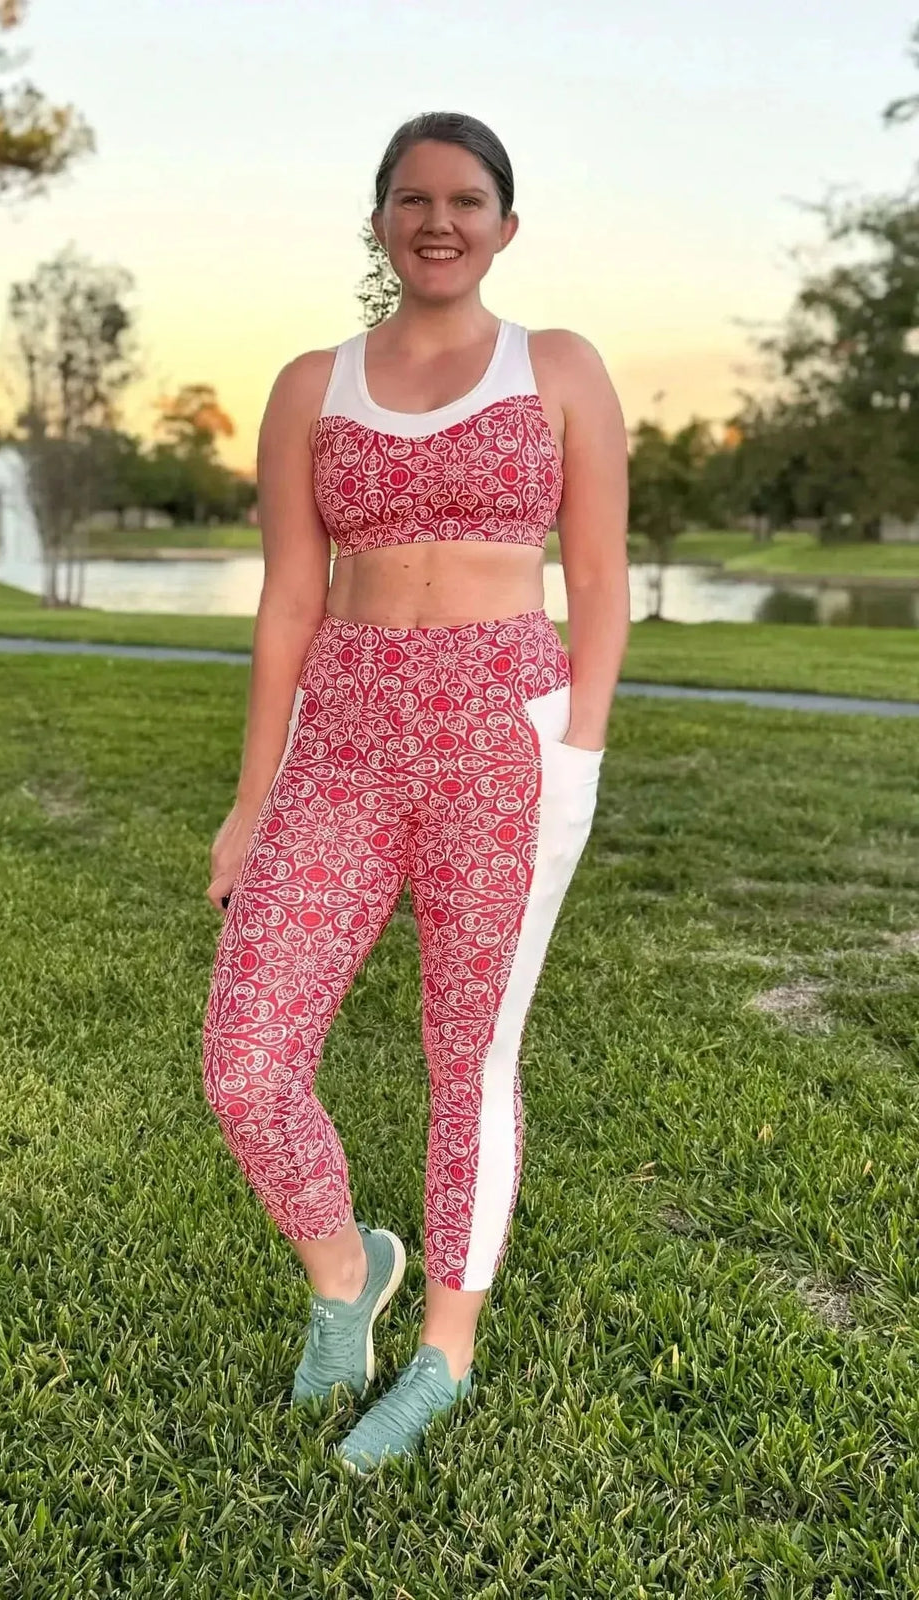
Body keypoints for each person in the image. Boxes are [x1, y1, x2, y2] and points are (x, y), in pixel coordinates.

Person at [201, 110, 630, 1473]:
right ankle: (347, 1274)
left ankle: (444, 1349)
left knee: (470, 1054)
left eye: (465, 199)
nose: (437, 220)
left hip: (506, 733)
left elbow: (605, 590)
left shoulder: (556, 366)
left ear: (506, 223)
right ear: (380, 221)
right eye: (411, 198)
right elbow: (286, 602)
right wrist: (248, 795)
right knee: (247, 1059)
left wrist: (578, 759)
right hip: (345, 732)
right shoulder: (309, 384)